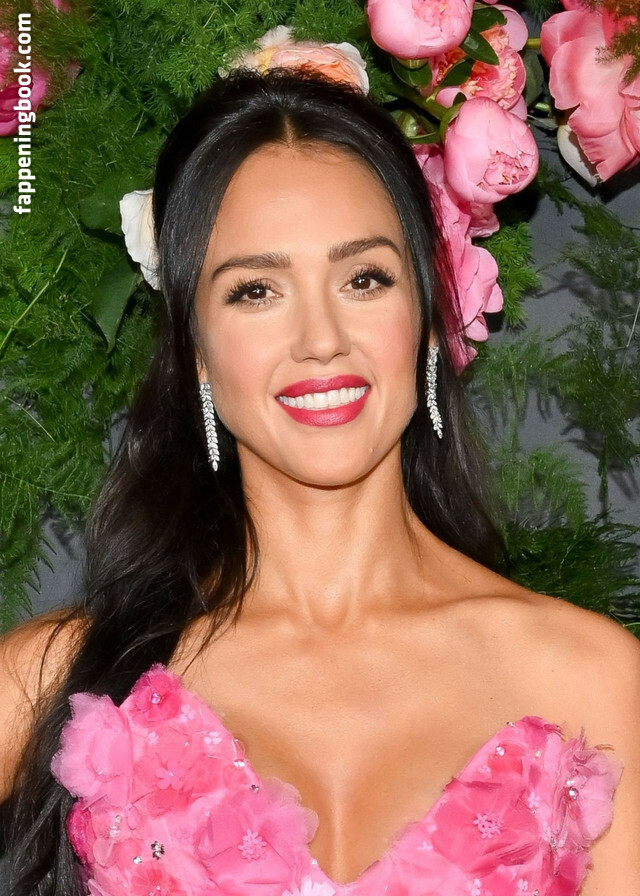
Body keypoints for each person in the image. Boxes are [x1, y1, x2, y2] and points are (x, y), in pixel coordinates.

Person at [0, 66, 638, 896]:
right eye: (256, 291)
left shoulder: (592, 680)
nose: (321, 339)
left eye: (364, 278)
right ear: (196, 351)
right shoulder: (56, 679)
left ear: (428, 315)